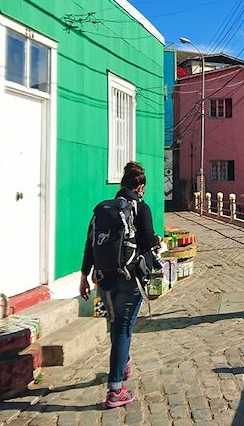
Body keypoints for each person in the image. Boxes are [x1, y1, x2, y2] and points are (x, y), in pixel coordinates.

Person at [79, 162, 160, 408]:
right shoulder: (140, 208)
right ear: (140, 187)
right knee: (123, 329)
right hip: (129, 278)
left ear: (121, 184)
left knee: (116, 325)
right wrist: (157, 241)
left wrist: (84, 277)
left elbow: (90, 243)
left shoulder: (103, 209)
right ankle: (115, 389)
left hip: (103, 279)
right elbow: (147, 242)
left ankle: (123, 363)